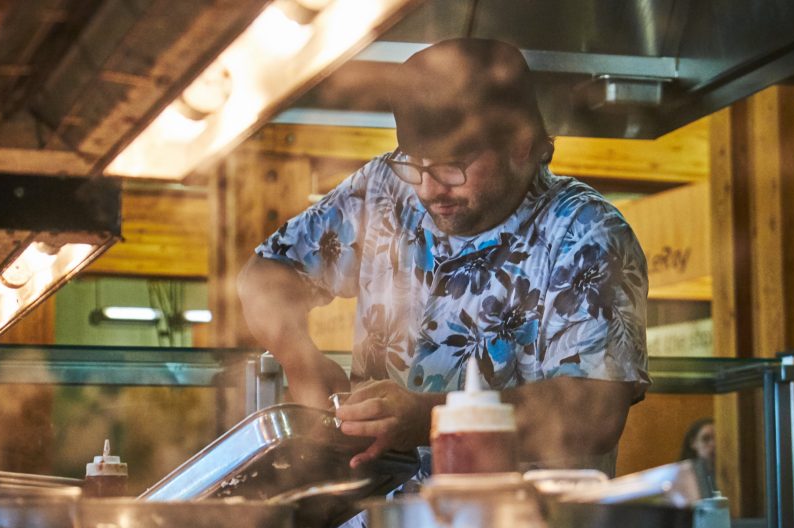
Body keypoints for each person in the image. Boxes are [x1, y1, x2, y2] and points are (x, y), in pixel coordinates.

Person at [238, 37, 649, 479]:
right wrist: (300, 358)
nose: (429, 189)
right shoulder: (383, 189)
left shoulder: (586, 232)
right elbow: (265, 276)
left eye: (453, 165)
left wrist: (430, 417)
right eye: (415, 163)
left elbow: (595, 413)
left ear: (523, 145)